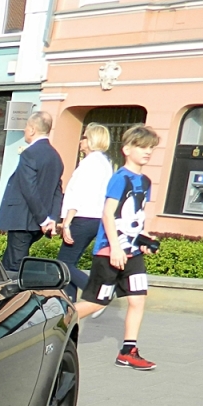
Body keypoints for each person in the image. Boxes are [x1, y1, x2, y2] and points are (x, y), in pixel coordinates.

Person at [73, 124, 162, 370]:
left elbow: (137, 216)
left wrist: (144, 239)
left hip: (131, 253)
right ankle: (54, 323)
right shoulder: (119, 178)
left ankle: (128, 351)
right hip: (110, 252)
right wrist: (115, 247)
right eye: (142, 147)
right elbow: (108, 214)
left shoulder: (145, 181)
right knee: (97, 302)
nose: (147, 152)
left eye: (151, 148)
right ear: (126, 149)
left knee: (138, 299)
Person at [0, 111, 64, 274]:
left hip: (24, 221)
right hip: (37, 223)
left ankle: (16, 298)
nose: (24, 130)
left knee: (14, 268)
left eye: (26, 127)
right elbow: (57, 191)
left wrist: (43, 220)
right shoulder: (56, 157)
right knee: (7, 264)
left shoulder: (29, 153)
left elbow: (29, 189)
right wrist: (52, 219)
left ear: (32, 129)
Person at [57, 123, 114, 300]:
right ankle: (70, 302)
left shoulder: (90, 163)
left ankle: (97, 293)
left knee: (63, 263)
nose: (81, 141)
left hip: (82, 217)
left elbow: (78, 195)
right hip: (94, 218)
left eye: (84, 137)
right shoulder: (104, 163)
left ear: (91, 140)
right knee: (69, 263)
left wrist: (67, 223)